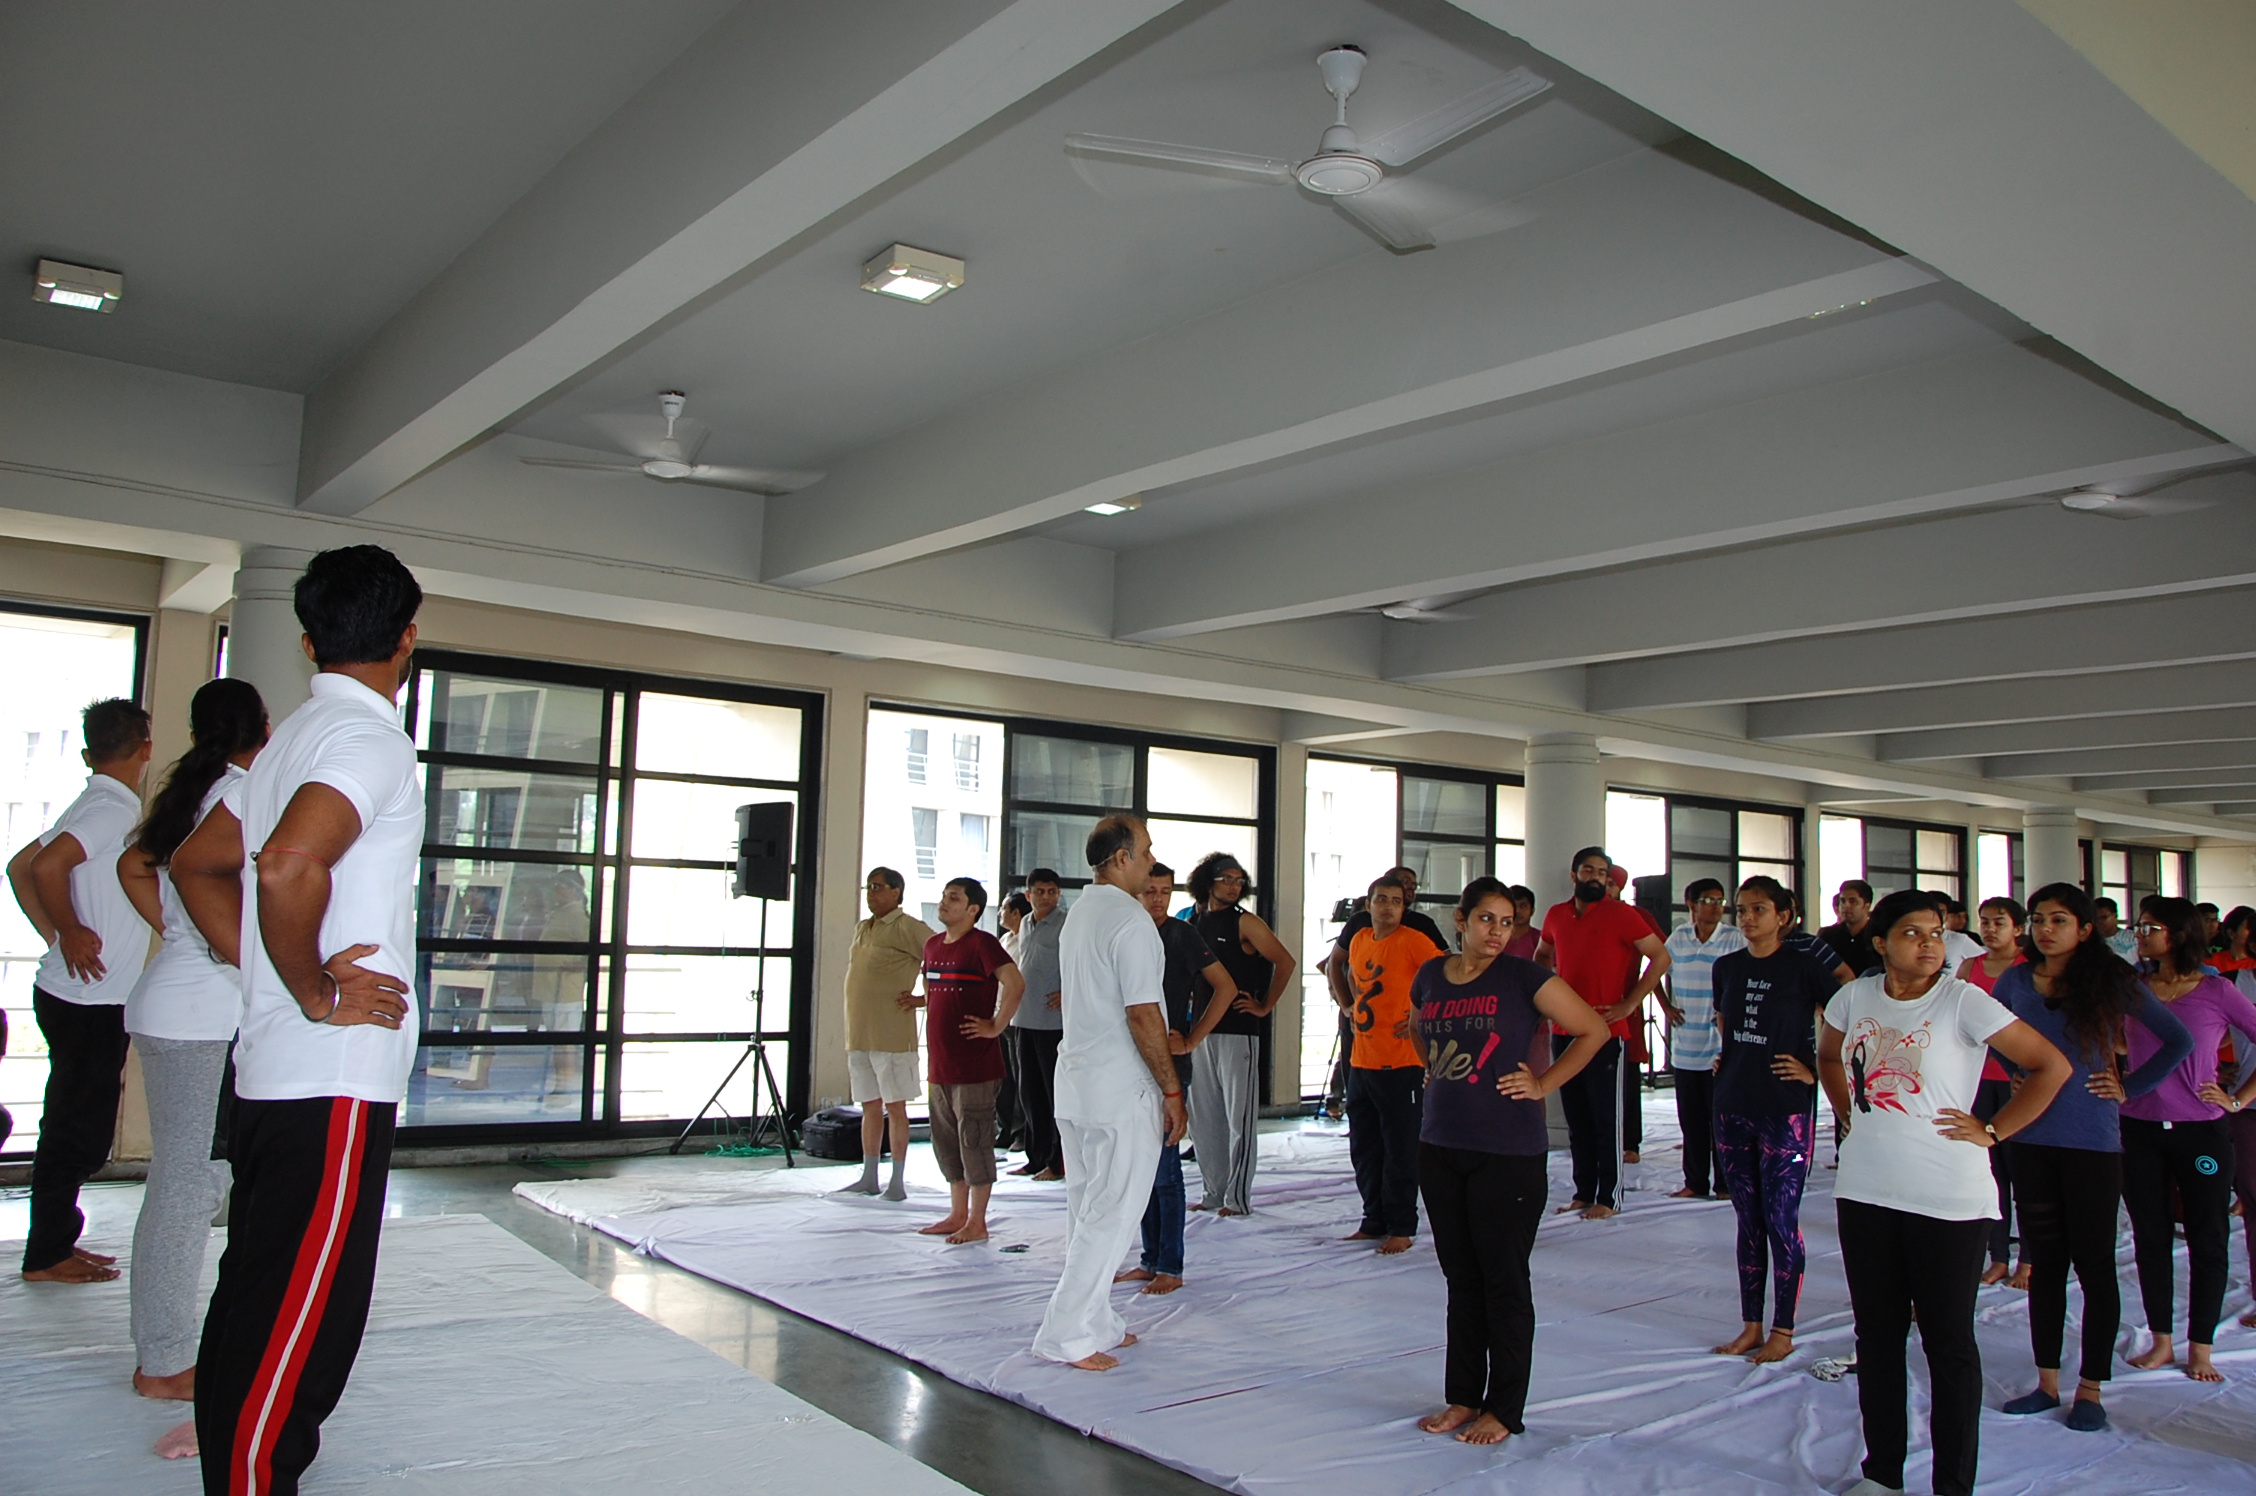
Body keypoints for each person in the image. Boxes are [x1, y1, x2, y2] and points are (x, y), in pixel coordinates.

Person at [174, 545, 427, 1490]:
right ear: (407, 639)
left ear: (311, 640)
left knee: (258, 1301)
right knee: (298, 1330)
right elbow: (286, 866)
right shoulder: (367, 740)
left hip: (281, 1071)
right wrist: (315, 990)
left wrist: (269, 972)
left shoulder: (289, 742)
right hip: (332, 1073)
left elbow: (197, 865)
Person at [1817, 890, 2069, 1496]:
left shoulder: (1963, 1000)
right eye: (1913, 933)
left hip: (1947, 1198)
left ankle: (1952, 1485)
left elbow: (2051, 1066)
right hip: (1866, 1189)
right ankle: (1882, 1476)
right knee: (1877, 1338)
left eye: (1936, 933)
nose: (1929, 944)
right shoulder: (1854, 997)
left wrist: (1993, 1130)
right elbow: (1827, 1056)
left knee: (1948, 1344)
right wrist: (1848, 1111)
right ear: (1881, 943)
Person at [1410, 878, 1608, 1446]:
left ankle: (1503, 1407)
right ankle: (1463, 1396)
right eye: (1486, 920)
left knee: (1504, 1282)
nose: (1498, 932)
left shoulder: (1524, 978)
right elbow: (1418, 1025)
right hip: (1441, 1145)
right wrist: (1435, 1065)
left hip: (1507, 1152)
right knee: (1461, 1279)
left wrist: (1542, 1083)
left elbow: (1592, 1030)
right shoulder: (1431, 975)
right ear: (1461, 920)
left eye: (1506, 922)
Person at [113, 679, 267, 1400]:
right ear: (262, 730)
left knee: (191, 1181)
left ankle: (169, 1350)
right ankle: (165, 1360)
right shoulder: (240, 795)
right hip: (200, 1018)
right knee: (187, 1187)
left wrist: (179, 935)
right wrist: (212, 947)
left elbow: (134, 866)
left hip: (179, 1006)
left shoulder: (193, 793)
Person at [1992, 884, 2191, 1433]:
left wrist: (2130, 1087)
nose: (2045, 929)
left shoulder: (2111, 979)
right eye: (2038, 919)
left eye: (2059, 920)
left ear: (2084, 929)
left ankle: (2091, 1389)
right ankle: (2047, 1382)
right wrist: (2014, 1069)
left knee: (2095, 1263)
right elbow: (1987, 1034)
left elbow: (2177, 1040)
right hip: (2031, 1137)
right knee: (2045, 1262)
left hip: (2091, 1140)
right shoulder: (2015, 981)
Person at [1031, 815, 1187, 1370]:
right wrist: (1171, 1089)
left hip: (1079, 1082)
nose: (1152, 860)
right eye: (1146, 851)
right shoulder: (1130, 920)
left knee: (1087, 1209)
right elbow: (1143, 1013)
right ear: (1122, 858)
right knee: (1113, 1215)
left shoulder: (1081, 911)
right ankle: (1065, 1333)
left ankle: (1096, 1321)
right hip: (1120, 1087)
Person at [7, 696, 155, 1283]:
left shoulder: (97, 800)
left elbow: (21, 866)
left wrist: (56, 935)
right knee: (76, 1132)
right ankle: (48, 1254)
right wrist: (67, 932)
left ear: (90, 753)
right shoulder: (111, 808)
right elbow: (42, 868)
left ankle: (55, 1243)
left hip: (80, 994)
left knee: (75, 1126)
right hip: (89, 1000)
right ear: (145, 749)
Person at [2119, 895, 2256, 1383]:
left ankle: (2201, 1347)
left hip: (2201, 1133)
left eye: (2150, 927)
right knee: (2150, 1235)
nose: (2140, 935)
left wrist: (2236, 1100)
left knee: (2207, 1235)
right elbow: (2111, 1036)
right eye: (2139, 926)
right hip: (2139, 1128)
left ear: (2177, 935)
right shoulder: (2135, 989)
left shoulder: (2216, 990)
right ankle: (2161, 1340)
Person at [1708, 876, 1836, 1364]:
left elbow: (1845, 1019)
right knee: (1748, 1220)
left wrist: (1816, 1069)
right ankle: (1751, 1325)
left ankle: (1783, 1329)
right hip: (1733, 1102)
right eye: (1741, 909)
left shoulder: (1804, 967)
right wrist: (1730, 1058)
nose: (1746, 918)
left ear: (1784, 916)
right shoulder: (1727, 967)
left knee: (1781, 1220)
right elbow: (1726, 1021)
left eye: (1758, 909)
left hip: (1785, 1107)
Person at [1118, 862, 1236, 1295]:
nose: (1157, 899)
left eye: (1165, 892)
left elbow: (1225, 987)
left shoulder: (1182, 934)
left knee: (1165, 1170)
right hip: (1128, 1061)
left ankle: (1170, 1264)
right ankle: (1150, 1258)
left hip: (1169, 1065)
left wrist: (1192, 1038)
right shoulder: (1127, 931)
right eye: (1149, 891)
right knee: (1141, 1168)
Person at [1535, 846, 1669, 1219]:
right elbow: (1542, 955)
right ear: (1574, 875)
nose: (1595, 877)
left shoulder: (1623, 915)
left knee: (1605, 1118)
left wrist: (1630, 1003)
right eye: (1588, 870)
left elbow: (1661, 957)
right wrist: (1546, 997)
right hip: (1565, 1028)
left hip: (1608, 1032)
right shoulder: (1556, 914)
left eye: (1601, 872)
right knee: (1577, 1117)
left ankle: (1608, 1197)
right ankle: (1583, 1192)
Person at [914, 876, 1023, 1244]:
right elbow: (930, 990)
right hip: (939, 1065)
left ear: (973, 909)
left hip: (975, 1067)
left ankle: (978, 1220)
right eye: (944, 896)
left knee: (974, 1141)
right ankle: (957, 1213)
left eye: (954, 898)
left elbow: (1015, 983)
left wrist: (997, 1025)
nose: (944, 903)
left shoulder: (983, 944)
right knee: (946, 1143)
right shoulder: (932, 945)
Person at [1185, 851, 1294, 1217]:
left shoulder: (1245, 922)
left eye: (1238, 881)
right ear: (1208, 882)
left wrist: (1264, 1005)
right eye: (1226, 879)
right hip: (1201, 1031)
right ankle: (1213, 1191)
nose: (1233, 886)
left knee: (1239, 1119)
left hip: (1237, 1031)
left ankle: (1237, 1197)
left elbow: (1285, 961)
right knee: (1204, 1119)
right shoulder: (1195, 922)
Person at [1344, 873, 1443, 1252]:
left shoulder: (1414, 941)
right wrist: (1350, 1006)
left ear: (1405, 908)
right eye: (1381, 899)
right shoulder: (1359, 939)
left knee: (1400, 1149)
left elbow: (1446, 977)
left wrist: (1423, 1017)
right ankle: (1374, 1219)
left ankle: (1402, 1225)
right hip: (1362, 1060)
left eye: (1396, 901)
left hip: (1402, 1063)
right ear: (1368, 904)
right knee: (1364, 1148)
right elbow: (1351, 975)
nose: (1388, 907)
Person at [838, 867, 933, 1201]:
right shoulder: (863, 927)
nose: (871, 893)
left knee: (895, 1107)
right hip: (859, 1033)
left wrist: (923, 998)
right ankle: (869, 1175)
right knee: (869, 1105)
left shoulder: (908, 927)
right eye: (868, 887)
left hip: (891, 1035)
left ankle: (897, 1180)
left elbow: (941, 958)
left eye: (878, 887)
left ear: (896, 891)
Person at [1955, 896, 2029, 1286]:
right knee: (1991, 1173)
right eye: (1984, 921)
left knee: (2024, 1174)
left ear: (2018, 928)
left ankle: (2028, 1260)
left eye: (1999, 922)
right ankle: (1998, 1255)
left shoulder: (2029, 968)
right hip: (1978, 1079)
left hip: (2018, 1081)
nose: (1990, 929)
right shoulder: (1970, 967)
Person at [1661, 878, 1744, 1198]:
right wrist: (1666, 1006)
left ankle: (1725, 1184)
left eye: (1720, 901)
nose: (1716, 907)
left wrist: (1728, 1012)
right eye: (1708, 900)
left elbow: (1744, 979)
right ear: (1691, 904)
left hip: (1719, 1047)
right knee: (1691, 1120)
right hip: (1686, 1045)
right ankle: (1694, 1182)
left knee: (1721, 1120)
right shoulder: (1678, 938)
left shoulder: (1733, 939)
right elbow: (1654, 973)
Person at [1008, 868, 1068, 1180]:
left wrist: (1069, 991)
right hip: (1023, 1018)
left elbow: (1081, 963)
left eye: (1052, 892)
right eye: (1040, 892)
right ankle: (1035, 1158)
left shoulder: (1067, 923)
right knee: (1029, 1093)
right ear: (1028, 895)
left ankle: (1057, 1162)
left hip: (1054, 1023)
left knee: (1054, 1094)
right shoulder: (1025, 923)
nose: (1047, 898)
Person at [1606, 864, 1663, 1163]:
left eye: (1611, 884)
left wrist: (1633, 1001)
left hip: (1624, 1008)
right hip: (1586, 1009)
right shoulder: (1578, 916)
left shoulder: (1635, 917)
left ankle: (1629, 1142)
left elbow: (1661, 957)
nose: (1605, 889)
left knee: (1626, 1076)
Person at [1819, 880, 1882, 979]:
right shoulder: (1828, 935)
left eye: (1853, 901)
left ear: (1867, 905)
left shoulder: (1878, 937)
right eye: (1842, 901)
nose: (1846, 906)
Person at [1502, 886, 1539, 960]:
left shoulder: (1541, 940)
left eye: (1523, 906)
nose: (1517, 911)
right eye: (1513, 906)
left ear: (1532, 911)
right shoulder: (1497, 936)